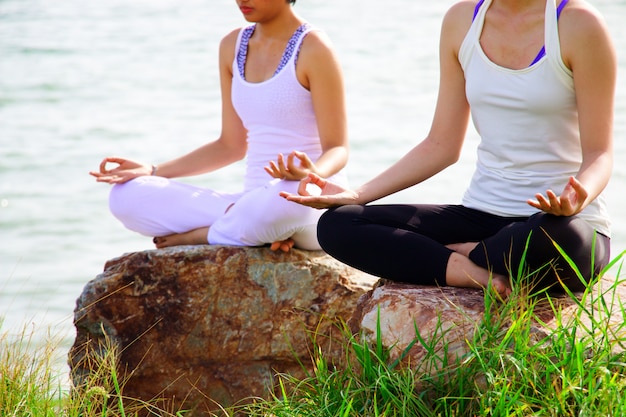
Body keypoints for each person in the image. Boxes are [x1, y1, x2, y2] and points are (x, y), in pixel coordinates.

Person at [281, 0, 615, 296]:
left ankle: (461, 251)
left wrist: (576, 196)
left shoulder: (578, 23)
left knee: (558, 242)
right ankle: (473, 272)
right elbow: (441, 144)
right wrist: (357, 195)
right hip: (483, 213)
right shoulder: (461, 21)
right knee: (338, 225)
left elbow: (600, 153)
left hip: (562, 223)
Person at [90, 0, 349, 252]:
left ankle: (209, 234)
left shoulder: (314, 47)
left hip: (307, 201)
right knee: (126, 195)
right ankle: (244, 227)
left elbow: (338, 148)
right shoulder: (232, 46)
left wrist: (311, 174)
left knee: (285, 196)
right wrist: (153, 170)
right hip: (250, 204)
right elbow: (230, 146)